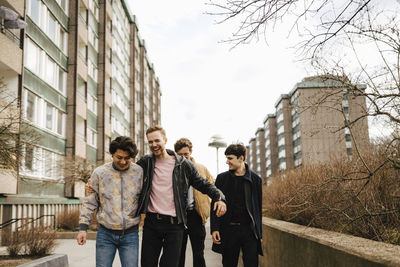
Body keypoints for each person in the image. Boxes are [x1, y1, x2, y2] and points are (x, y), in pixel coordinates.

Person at [135, 125, 227, 267]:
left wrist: (219, 198)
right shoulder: (145, 162)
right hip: (152, 224)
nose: (154, 145)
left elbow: (203, 183)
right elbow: (126, 174)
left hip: (175, 225)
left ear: (165, 140)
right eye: (150, 142)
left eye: (157, 141)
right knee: (147, 264)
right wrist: (95, 182)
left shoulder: (183, 164)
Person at [77, 136, 143, 267]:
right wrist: (83, 228)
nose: (123, 162)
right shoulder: (100, 173)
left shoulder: (139, 172)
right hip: (105, 234)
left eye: (127, 158)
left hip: (130, 234)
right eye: (119, 157)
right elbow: (89, 202)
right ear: (112, 155)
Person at [210, 144, 263, 267]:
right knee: (228, 264)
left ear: (241, 158)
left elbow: (257, 209)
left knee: (252, 264)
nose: (227, 162)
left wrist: (259, 234)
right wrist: (215, 228)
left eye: (230, 158)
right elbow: (214, 205)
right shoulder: (221, 178)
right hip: (229, 230)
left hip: (249, 231)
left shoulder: (256, 179)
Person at [174, 138, 214, 267]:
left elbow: (211, 185)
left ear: (190, 152)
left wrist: (205, 205)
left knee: (198, 253)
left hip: (196, 215)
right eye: (180, 155)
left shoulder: (201, 168)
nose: (184, 157)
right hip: (179, 217)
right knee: (179, 254)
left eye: (186, 154)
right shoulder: (173, 169)